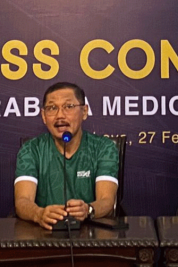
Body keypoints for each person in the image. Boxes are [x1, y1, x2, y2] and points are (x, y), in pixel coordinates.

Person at [14, 82, 119, 230]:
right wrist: (39, 213)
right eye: (52, 108)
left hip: (90, 234)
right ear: (44, 116)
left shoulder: (104, 148)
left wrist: (87, 209)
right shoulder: (31, 149)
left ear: (84, 111)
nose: (60, 115)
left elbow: (106, 201)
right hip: (44, 233)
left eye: (68, 107)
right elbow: (22, 201)